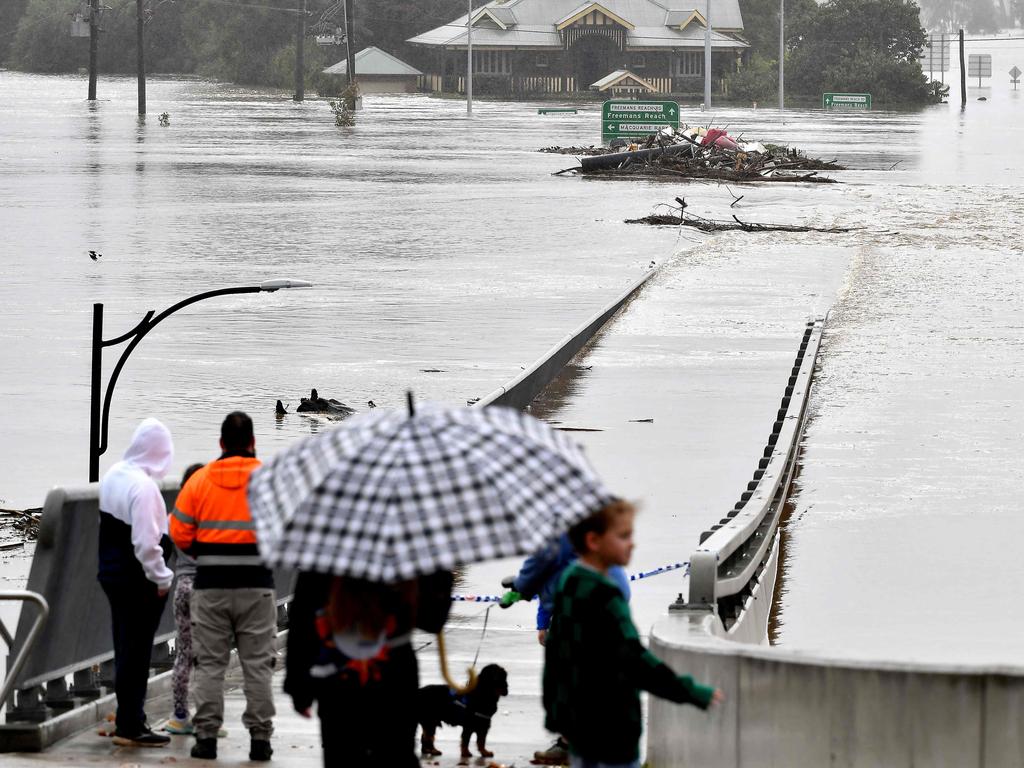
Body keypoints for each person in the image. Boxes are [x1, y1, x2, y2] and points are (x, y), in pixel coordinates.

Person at [542, 500, 723, 768]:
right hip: (613, 727)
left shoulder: (569, 582)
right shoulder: (606, 596)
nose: (632, 544)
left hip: (579, 726)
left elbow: (557, 656)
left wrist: (556, 713)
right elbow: (633, 659)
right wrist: (690, 691)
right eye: (624, 536)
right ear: (593, 541)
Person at [170, 412, 275, 762]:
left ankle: (206, 738)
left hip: (211, 585)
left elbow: (179, 532)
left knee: (210, 664)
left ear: (220, 443)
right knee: (257, 665)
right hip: (257, 586)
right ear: (253, 443)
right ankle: (260, 739)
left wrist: (205, 550)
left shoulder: (199, 481)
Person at [284, 570, 453, 767]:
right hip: (394, 674)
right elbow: (433, 619)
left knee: (343, 754)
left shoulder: (326, 554)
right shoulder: (407, 559)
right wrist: (440, 576)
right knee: (396, 753)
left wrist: (298, 684)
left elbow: (303, 617)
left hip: (338, 674)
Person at [500, 533, 632, 764]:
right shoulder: (577, 540)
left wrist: (520, 586)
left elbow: (537, 569)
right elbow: (545, 585)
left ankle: (574, 744)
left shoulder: (559, 539)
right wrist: (542, 623)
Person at [97, 417, 175, 748]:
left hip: (111, 573)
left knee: (123, 646)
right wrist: (162, 577)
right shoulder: (143, 489)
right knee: (138, 651)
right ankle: (131, 723)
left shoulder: (114, 474)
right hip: (138, 580)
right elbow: (146, 543)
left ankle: (129, 714)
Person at [165, 462, 228, 737]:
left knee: (184, 654)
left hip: (183, 588)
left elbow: (164, 556)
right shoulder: (214, 517)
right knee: (210, 657)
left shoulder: (173, 519)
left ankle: (179, 715)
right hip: (208, 589)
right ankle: (208, 718)